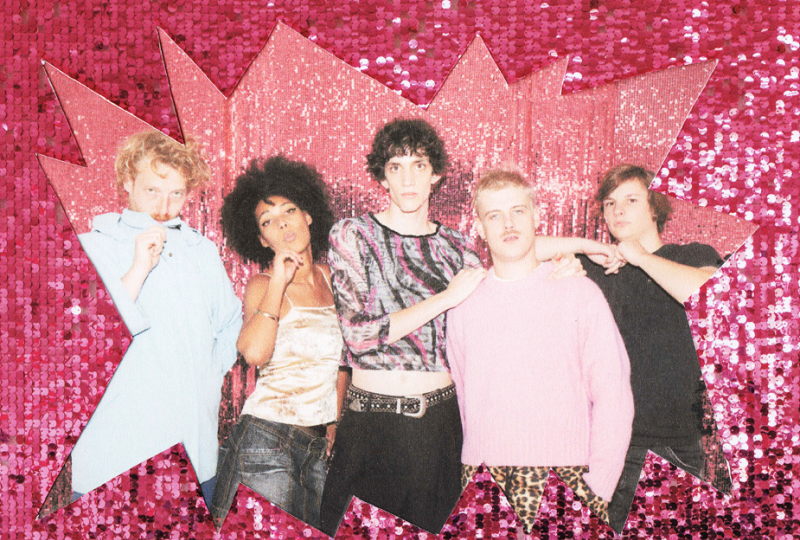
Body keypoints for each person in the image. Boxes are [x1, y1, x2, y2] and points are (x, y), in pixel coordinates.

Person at [318, 118, 488, 535]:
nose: (408, 179)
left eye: (419, 165)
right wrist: (445, 298)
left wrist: (570, 259)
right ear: (382, 176)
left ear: (436, 174)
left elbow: (510, 267)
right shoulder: (353, 235)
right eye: (396, 167)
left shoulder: (458, 248)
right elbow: (359, 337)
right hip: (370, 427)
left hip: (437, 427)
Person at [446, 169, 634, 532]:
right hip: (484, 481)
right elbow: (466, 401)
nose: (508, 224)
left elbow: (613, 394)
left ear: (535, 216)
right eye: (494, 215)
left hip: (566, 477)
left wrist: (598, 488)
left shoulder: (580, 293)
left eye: (518, 211)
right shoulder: (463, 304)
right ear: (480, 228)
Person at [71, 130, 243, 506]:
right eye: (152, 190)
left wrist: (205, 377)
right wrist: (138, 268)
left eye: (176, 193)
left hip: (192, 454)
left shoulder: (202, 251)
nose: (164, 206)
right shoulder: (92, 245)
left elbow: (231, 323)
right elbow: (83, 338)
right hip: (112, 457)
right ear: (128, 182)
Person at [576, 164, 726, 533]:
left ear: (654, 207)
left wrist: (641, 256)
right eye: (610, 204)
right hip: (611, 448)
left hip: (684, 445)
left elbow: (713, 296)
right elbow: (522, 251)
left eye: (631, 200)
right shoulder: (593, 267)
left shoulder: (690, 255)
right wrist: (586, 248)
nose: (618, 211)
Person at [210, 156, 346, 529]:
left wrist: (334, 421)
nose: (282, 223)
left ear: (309, 216)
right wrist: (278, 282)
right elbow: (254, 353)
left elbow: (344, 361)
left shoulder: (333, 279)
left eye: (289, 210)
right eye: (267, 221)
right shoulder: (262, 285)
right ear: (261, 239)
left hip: (316, 448)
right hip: (266, 439)